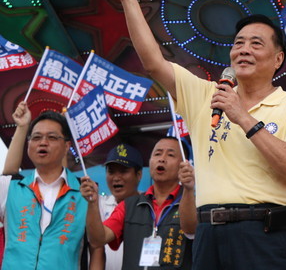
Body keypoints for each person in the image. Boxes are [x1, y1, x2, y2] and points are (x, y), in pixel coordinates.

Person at [108, 0, 286, 269]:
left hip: (267, 237)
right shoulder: (205, 94)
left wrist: (242, 116)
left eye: (256, 44)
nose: (243, 50)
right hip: (210, 236)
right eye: (238, 43)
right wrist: (129, 0)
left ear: (278, 59)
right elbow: (153, 62)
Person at [81, 137, 194, 269]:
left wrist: (188, 189)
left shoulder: (194, 204)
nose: (162, 158)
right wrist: (92, 203)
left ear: (184, 165)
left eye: (170, 154)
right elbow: (98, 239)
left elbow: (191, 228)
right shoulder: (129, 205)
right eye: (157, 154)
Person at [0, 110, 93, 270]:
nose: (43, 142)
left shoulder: (86, 192)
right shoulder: (12, 187)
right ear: (28, 145)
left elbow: (97, 248)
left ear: (67, 146)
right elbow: (9, 172)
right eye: (36, 138)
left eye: (52, 137)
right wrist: (22, 127)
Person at [99, 143, 144, 270]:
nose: (116, 178)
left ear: (139, 175)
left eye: (124, 171)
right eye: (111, 172)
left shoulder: (148, 206)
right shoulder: (96, 205)